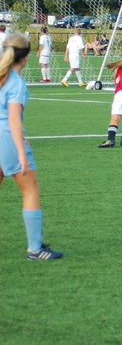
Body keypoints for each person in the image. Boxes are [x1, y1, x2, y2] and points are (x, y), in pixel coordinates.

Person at [0, 34, 63, 259]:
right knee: (30, 189)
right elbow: (13, 120)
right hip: (6, 139)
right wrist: (21, 153)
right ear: (26, 57)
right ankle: (35, 249)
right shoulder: (16, 82)